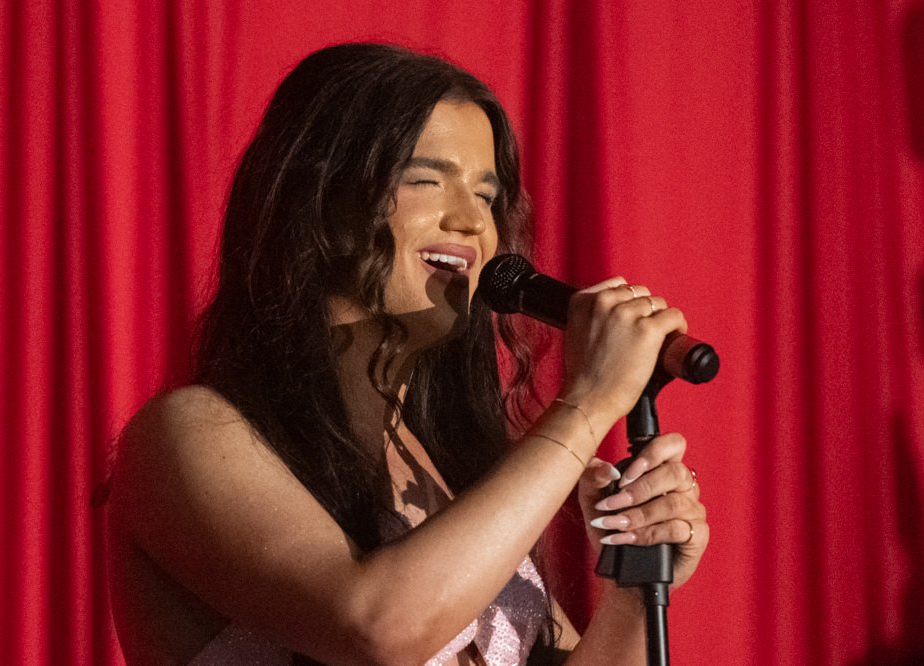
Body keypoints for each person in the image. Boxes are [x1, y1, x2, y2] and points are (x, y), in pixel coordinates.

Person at [106, 43, 709, 665]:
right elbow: (375, 628)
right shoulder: (187, 434)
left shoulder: (448, 463)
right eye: (425, 180)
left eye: (486, 193)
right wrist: (584, 406)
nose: (473, 221)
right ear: (321, 202)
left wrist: (636, 588)